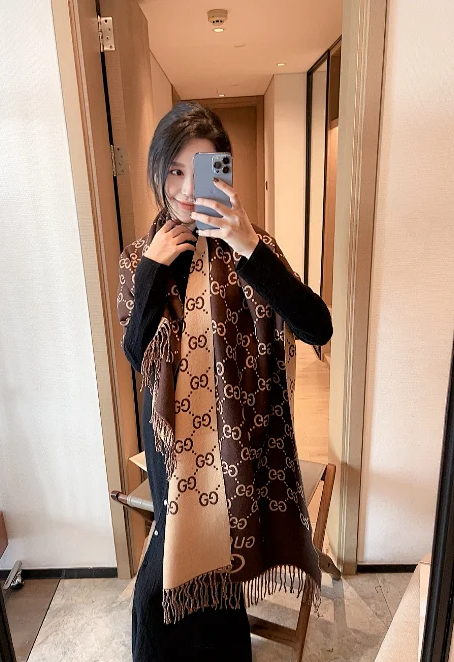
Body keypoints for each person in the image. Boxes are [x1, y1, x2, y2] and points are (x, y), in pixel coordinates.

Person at [117, 101, 333, 662]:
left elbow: (317, 326)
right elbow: (136, 352)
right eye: (175, 170)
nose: (188, 190)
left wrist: (251, 249)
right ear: (157, 170)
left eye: (202, 170)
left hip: (240, 443)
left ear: (224, 173)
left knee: (224, 566)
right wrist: (152, 271)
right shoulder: (141, 256)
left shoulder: (252, 245)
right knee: (167, 572)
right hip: (173, 450)